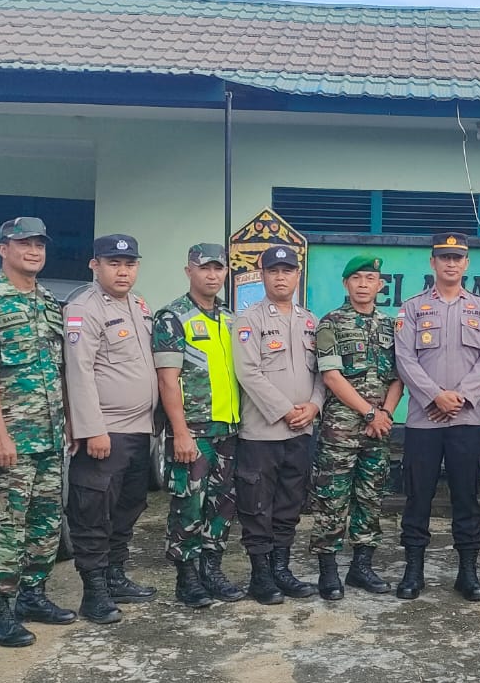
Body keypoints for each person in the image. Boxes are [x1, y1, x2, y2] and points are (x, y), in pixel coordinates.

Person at [0, 216, 72, 649]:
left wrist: (67, 425)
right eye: (23, 243)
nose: (33, 251)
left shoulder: (47, 301)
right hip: (10, 438)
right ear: (3, 249)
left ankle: (33, 596)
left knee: (45, 522)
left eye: (39, 245)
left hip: (49, 435)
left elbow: (59, 370)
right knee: (3, 527)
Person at [393, 233, 480, 601]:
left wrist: (462, 396)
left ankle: (467, 572)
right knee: (417, 496)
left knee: (467, 497)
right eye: (444, 257)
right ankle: (413, 571)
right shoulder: (412, 308)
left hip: (465, 420)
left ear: (466, 263)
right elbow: (404, 359)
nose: (451, 264)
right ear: (433, 263)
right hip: (423, 420)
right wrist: (435, 396)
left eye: (457, 258)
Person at [64, 234, 159, 624]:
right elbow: (79, 371)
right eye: (114, 264)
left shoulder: (138, 305)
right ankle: (94, 593)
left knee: (128, 507)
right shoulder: (83, 308)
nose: (123, 272)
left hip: (139, 429)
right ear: (95, 265)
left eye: (130, 264)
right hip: (106, 431)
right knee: (93, 512)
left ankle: (115, 576)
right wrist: (92, 429)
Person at [231, 245, 325, 604]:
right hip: (262, 431)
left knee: (290, 502)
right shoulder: (249, 320)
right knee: (257, 505)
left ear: (297, 275)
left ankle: (282, 570)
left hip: (301, 430)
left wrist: (314, 406)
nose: (281, 277)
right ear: (263, 275)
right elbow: (248, 373)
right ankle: (261, 576)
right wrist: (286, 410)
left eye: (287, 271)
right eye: (274, 271)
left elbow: (322, 373)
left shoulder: (310, 321)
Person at [153, 243, 243, 609]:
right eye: (204, 267)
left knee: (223, 504)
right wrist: (180, 432)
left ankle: (212, 569)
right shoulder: (173, 317)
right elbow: (167, 380)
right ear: (188, 270)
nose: (212, 275)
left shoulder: (230, 318)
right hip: (194, 430)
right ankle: (186, 577)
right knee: (189, 504)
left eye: (218, 268)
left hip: (229, 429)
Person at [311, 255, 403, 600]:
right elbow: (332, 377)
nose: (363, 284)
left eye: (370, 278)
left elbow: (399, 377)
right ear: (345, 284)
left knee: (371, 498)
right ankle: (328, 571)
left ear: (380, 285)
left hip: (378, 429)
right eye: (356, 278)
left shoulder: (391, 326)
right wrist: (369, 413)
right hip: (341, 429)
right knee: (332, 499)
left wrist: (386, 413)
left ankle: (361, 567)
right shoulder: (330, 323)